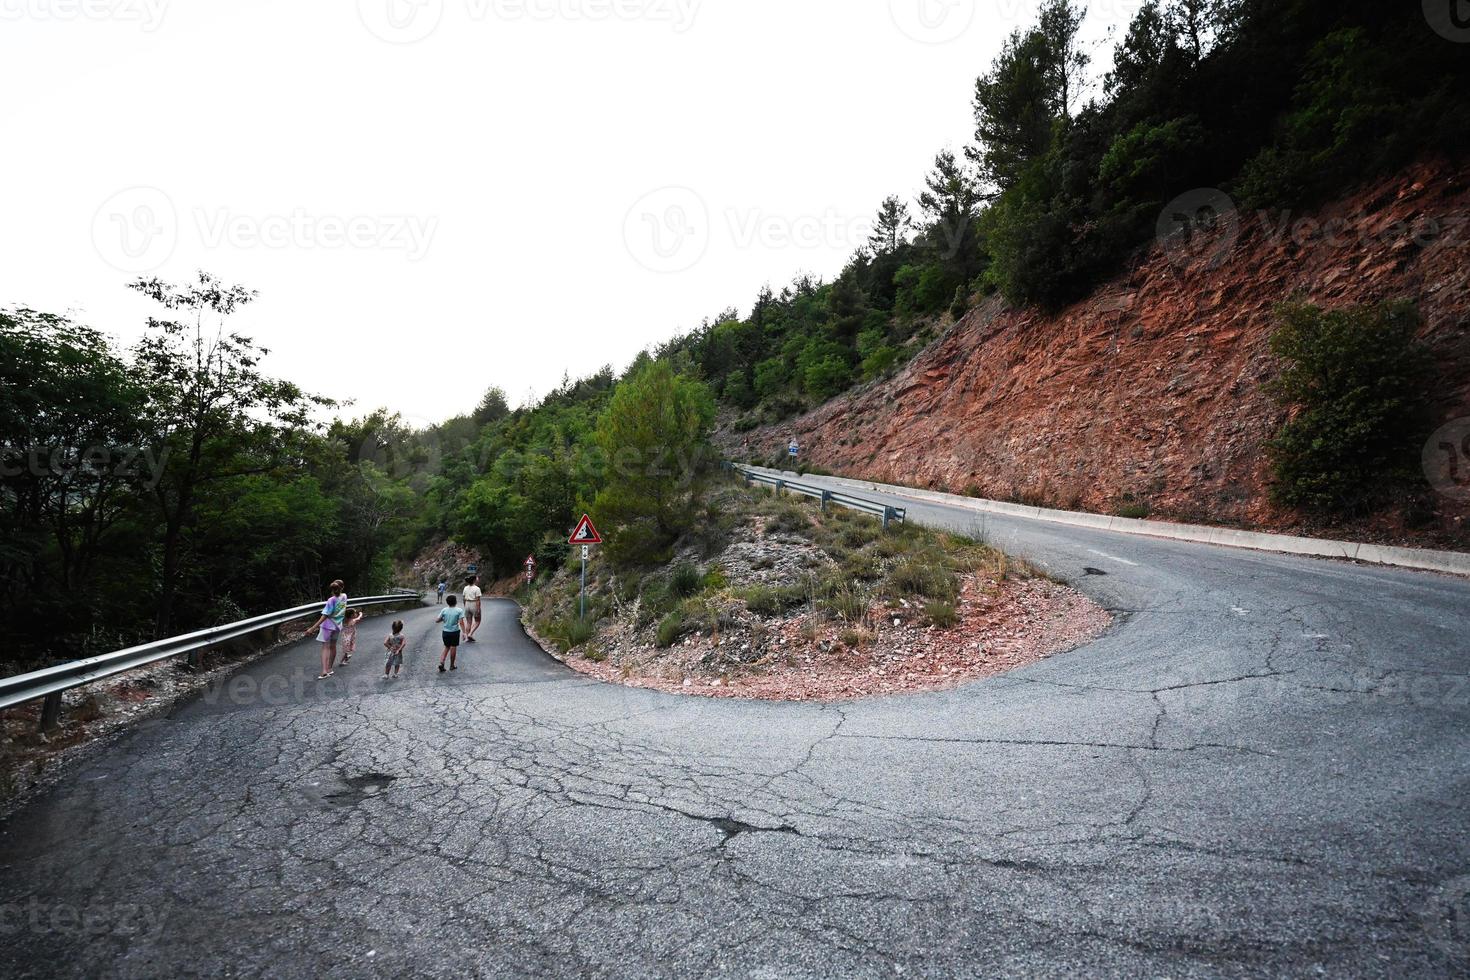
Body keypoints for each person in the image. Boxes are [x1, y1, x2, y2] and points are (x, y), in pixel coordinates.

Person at [305, 580, 346, 680]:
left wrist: (312, 628)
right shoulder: (344, 596)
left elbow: (325, 615)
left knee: (325, 648)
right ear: (342, 588)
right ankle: (330, 669)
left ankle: (324, 671)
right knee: (333, 646)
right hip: (338, 626)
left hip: (327, 626)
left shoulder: (331, 600)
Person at [437, 595, 465, 672]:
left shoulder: (444, 610)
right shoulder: (459, 610)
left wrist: (443, 619)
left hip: (445, 632)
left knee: (446, 647)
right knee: (453, 647)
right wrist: (464, 632)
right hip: (454, 632)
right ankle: (452, 665)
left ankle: (441, 662)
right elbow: (461, 622)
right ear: (455, 602)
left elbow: (437, 620)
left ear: (447, 602)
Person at [462, 574, 483, 643]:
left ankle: (467, 637)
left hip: (467, 604)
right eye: (476, 578)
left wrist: (465, 606)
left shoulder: (465, 588)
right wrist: (478, 609)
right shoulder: (477, 588)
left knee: (468, 622)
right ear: (474, 580)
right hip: (474, 604)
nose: (477, 579)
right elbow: (478, 600)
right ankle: (470, 634)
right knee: (477, 621)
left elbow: (463, 598)